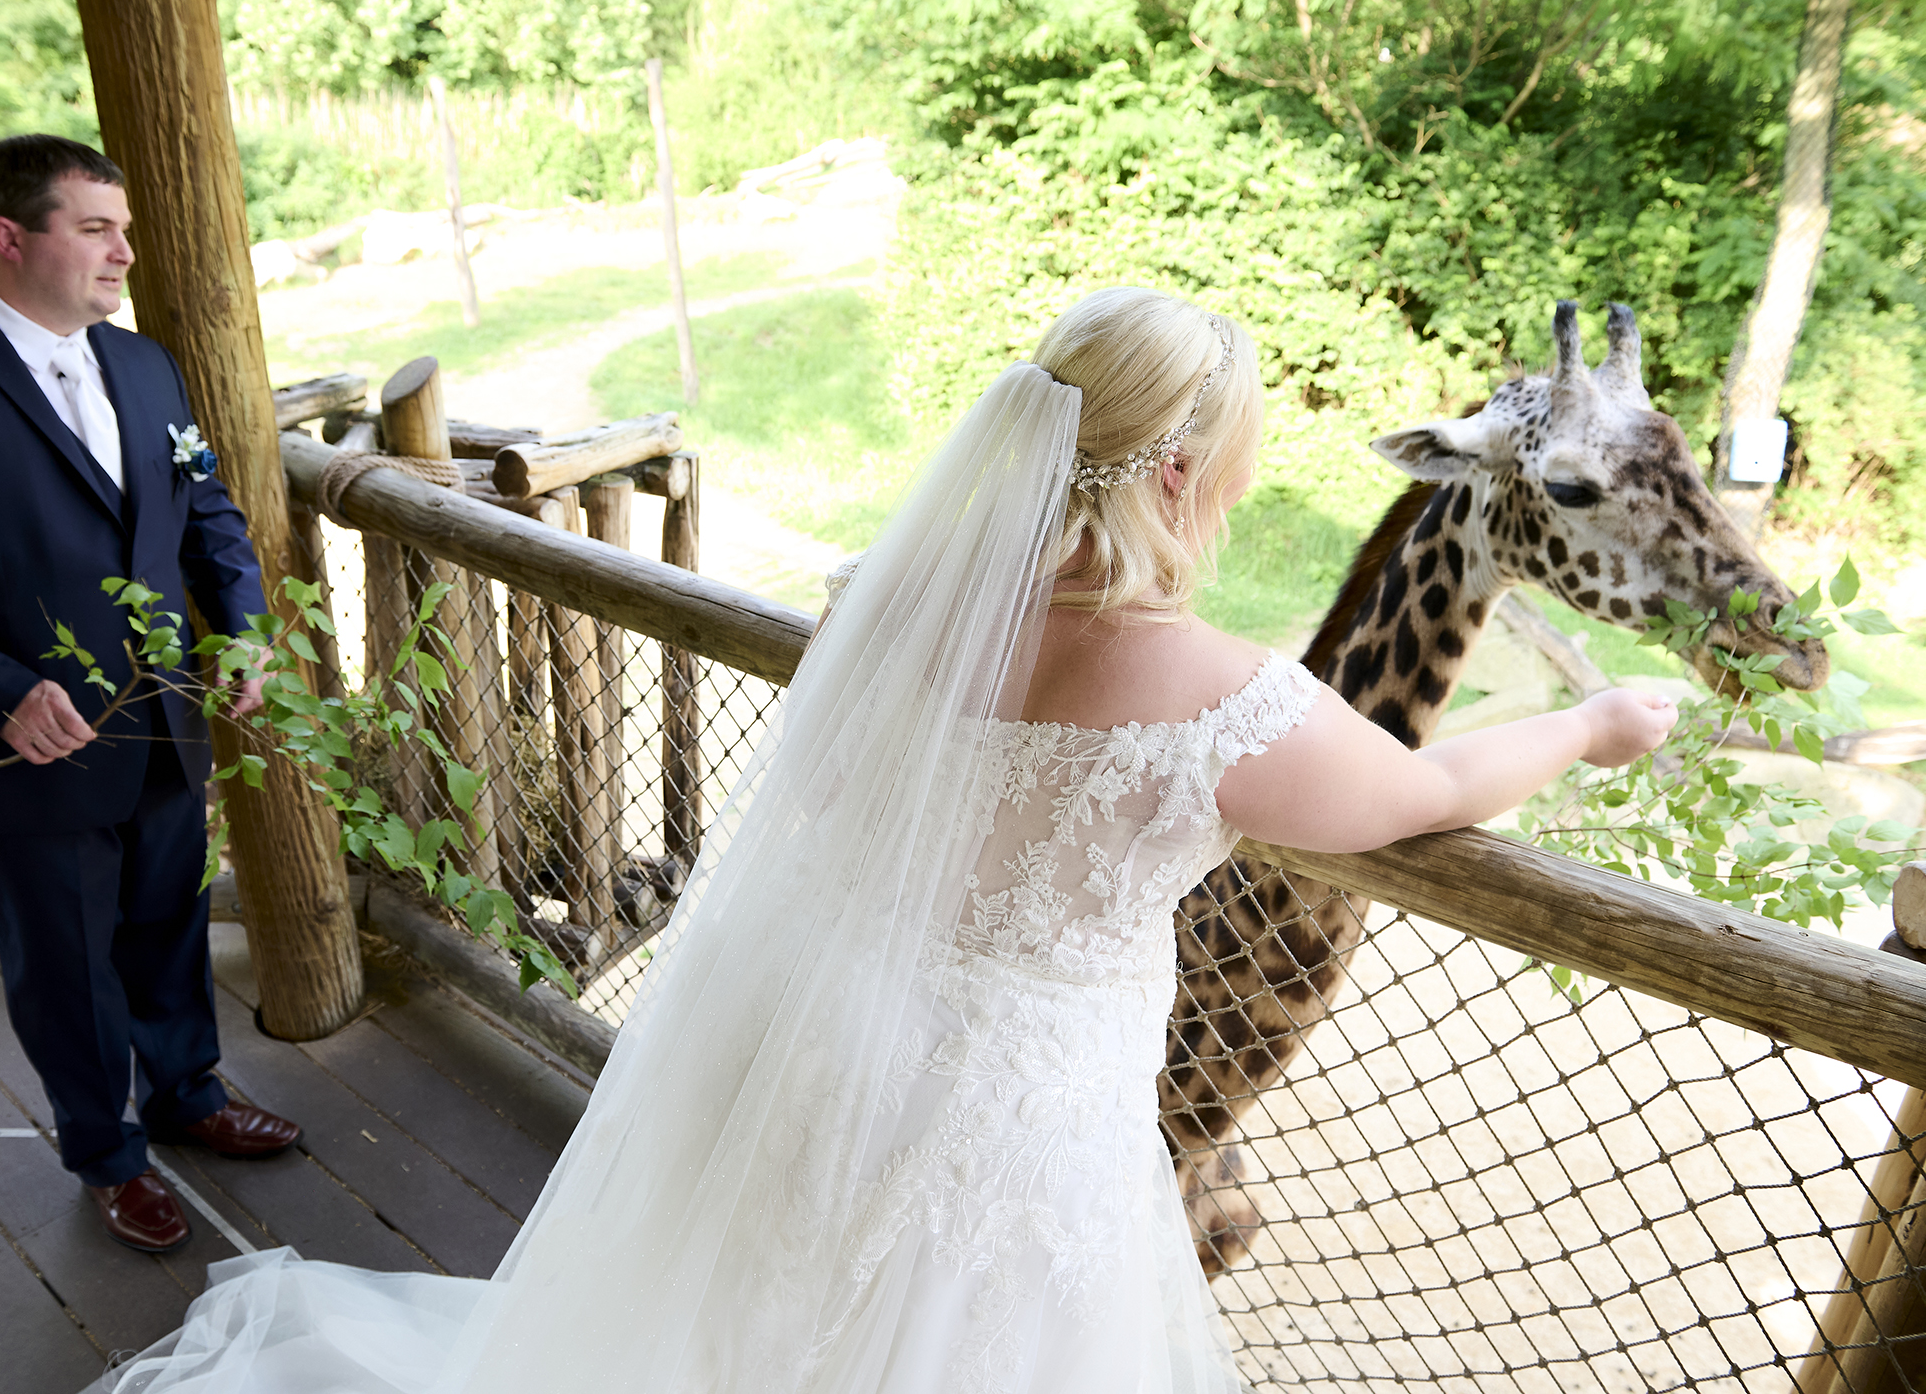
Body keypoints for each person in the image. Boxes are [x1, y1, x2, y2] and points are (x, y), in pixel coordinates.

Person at [88, 287, 1675, 1393]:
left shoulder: (895, 613)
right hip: (1030, 1104)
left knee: (780, 1310)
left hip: (833, 1041)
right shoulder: (1218, 691)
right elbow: (1413, 796)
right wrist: (1595, 726)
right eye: (1237, 466)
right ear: (1179, 473)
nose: (1242, 494)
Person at [0, 134, 303, 1256]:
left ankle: (188, 1094)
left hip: (162, 721)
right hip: (21, 745)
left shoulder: (143, 365)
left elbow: (208, 511)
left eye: (123, 229)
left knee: (167, 920)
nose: (124, 253)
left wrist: (241, 628)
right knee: (64, 965)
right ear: (10, 235)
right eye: (96, 229)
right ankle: (108, 1153)